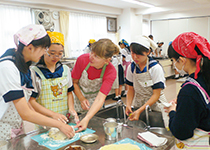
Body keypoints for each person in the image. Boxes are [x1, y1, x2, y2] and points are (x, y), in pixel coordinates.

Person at [0, 24, 74, 140]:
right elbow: (25, 113)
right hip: (2, 126)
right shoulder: (7, 67)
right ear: (29, 47)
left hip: (15, 124)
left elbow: (26, 103)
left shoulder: (25, 66)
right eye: (44, 48)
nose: (45, 52)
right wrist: (59, 124)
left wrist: (51, 116)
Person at [164, 32, 210, 149]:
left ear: (182, 60)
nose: (174, 64)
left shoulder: (189, 91)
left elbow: (181, 131)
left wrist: (172, 111)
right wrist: (183, 104)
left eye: (174, 60)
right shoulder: (205, 78)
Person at [29, 31, 79, 124]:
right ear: (44, 51)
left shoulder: (65, 69)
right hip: (45, 119)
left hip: (64, 117)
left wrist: (71, 109)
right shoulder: (34, 72)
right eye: (52, 53)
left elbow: (69, 93)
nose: (56, 57)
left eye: (60, 54)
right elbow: (32, 101)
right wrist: (52, 114)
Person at [72, 39, 119, 132]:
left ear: (107, 60)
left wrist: (87, 118)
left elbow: (100, 98)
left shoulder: (111, 71)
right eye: (92, 52)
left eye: (96, 56)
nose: (91, 57)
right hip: (78, 99)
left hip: (95, 104)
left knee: (95, 131)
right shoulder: (82, 60)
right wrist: (81, 99)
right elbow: (74, 83)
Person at [125, 36, 169, 128]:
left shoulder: (155, 68)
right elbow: (130, 89)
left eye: (139, 54)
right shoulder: (131, 67)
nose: (135, 57)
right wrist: (128, 104)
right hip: (139, 104)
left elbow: (156, 95)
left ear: (148, 52)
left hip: (156, 105)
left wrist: (140, 110)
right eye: (133, 53)